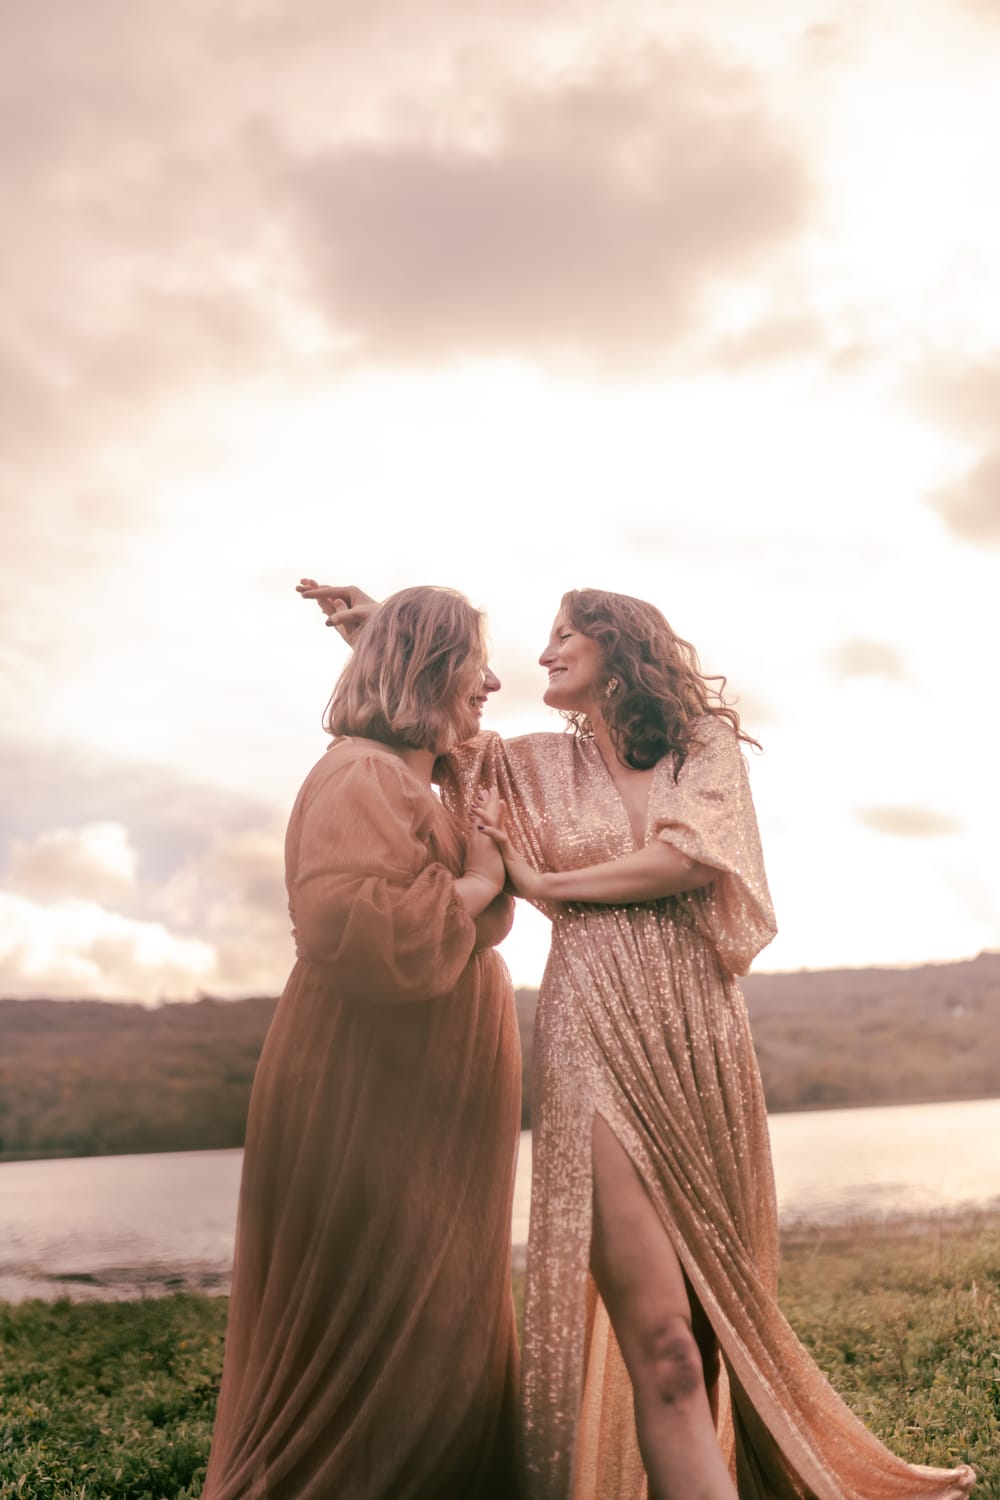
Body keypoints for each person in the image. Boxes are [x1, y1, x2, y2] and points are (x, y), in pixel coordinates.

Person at [300, 580, 977, 1500]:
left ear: (618, 647)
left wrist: (548, 886)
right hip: (591, 1035)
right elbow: (434, 716)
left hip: (699, 1041)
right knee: (663, 1341)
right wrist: (377, 630)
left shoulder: (702, 747)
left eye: (563, 635)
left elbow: (688, 859)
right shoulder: (530, 764)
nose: (542, 654)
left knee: (708, 1333)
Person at [202, 586, 522, 1500]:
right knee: (379, 1324)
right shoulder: (362, 776)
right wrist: (479, 884)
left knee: (436, 1321)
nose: (494, 682)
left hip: (424, 1098)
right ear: (432, 670)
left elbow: (479, 754)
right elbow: (350, 928)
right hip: (373, 1091)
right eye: (475, 664)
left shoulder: (419, 776)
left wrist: (382, 630)